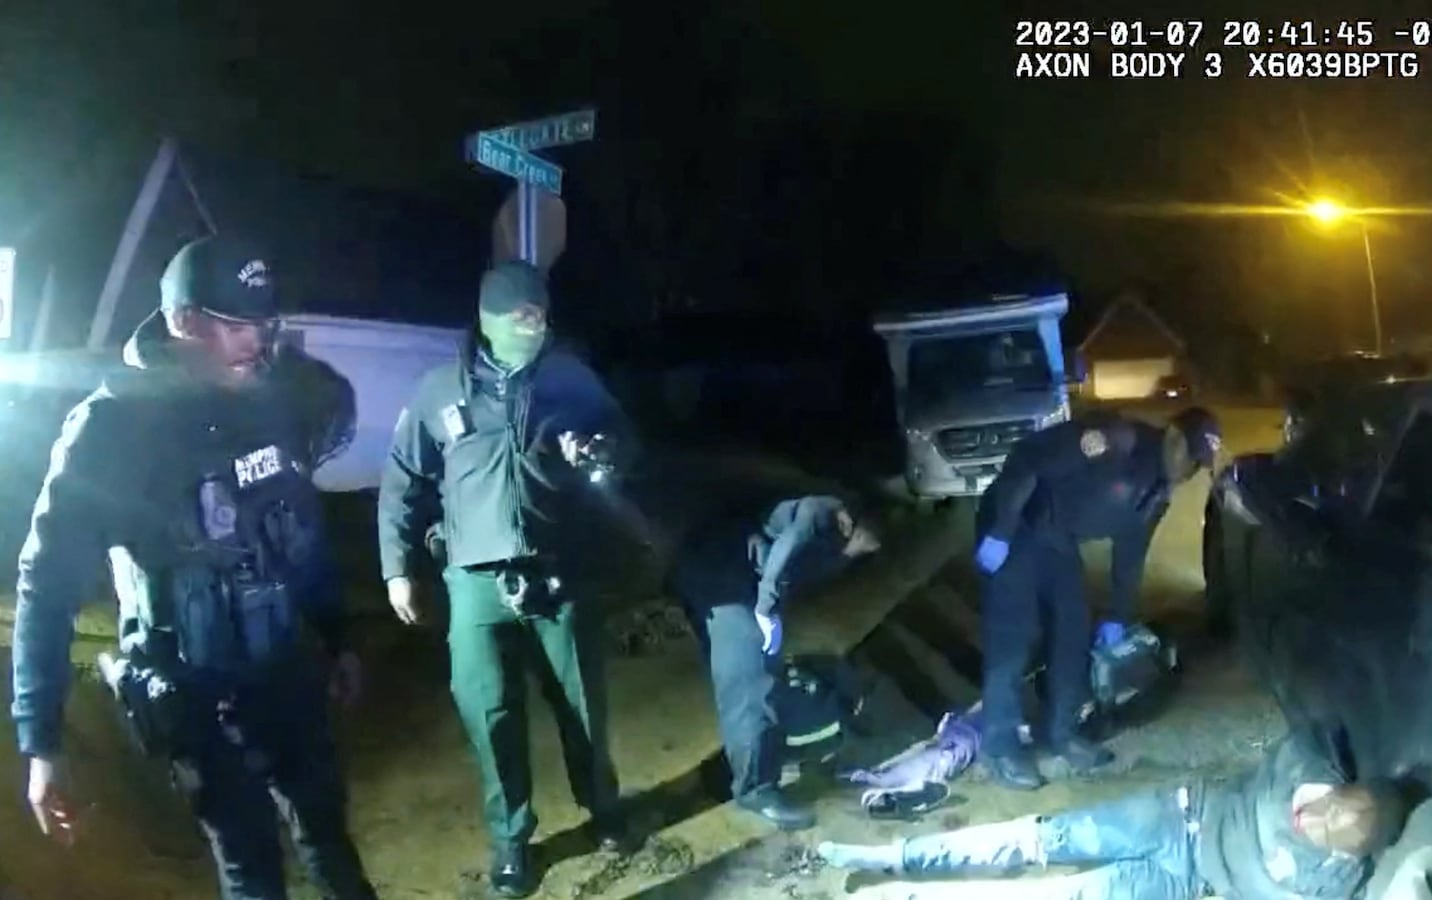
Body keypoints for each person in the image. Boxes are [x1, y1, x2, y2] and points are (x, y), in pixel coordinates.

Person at [10, 236, 378, 900]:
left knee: (328, 834)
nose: (255, 343)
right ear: (184, 322)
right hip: (194, 695)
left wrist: (337, 635)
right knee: (250, 867)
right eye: (235, 326)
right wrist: (41, 741)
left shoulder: (270, 398)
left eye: (262, 324)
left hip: (284, 674)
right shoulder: (113, 428)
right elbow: (47, 584)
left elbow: (298, 531)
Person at [376, 260, 633, 898]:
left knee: (581, 705)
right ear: (488, 319)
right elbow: (403, 483)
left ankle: (603, 809)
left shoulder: (569, 377)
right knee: (489, 715)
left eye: (539, 315)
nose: (531, 325)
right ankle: (512, 841)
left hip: (558, 571)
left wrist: (599, 448)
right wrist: (397, 571)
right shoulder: (439, 390)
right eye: (519, 315)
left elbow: (623, 440)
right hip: (475, 581)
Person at [817, 734, 1398, 900]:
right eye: (1319, 809)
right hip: (1176, 814)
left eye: (1322, 833)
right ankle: (893, 856)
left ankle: (902, 894)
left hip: (1182, 879)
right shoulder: (1305, 763)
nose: (1307, 821)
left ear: (1345, 856)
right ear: (1335, 789)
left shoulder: (1335, 881)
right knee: (1039, 839)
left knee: (1055, 895)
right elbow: (1310, 743)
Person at [974, 406, 1222, 789]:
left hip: (1059, 539)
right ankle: (1000, 746)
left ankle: (1062, 733)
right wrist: (1002, 530)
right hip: (1018, 524)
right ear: (1173, 436)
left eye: (1197, 465)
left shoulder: (1156, 494)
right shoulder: (1116, 441)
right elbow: (1028, 459)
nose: (1188, 470)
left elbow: (1131, 553)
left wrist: (1119, 615)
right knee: (1014, 636)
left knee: (1072, 633)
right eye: (1189, 456)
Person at [668, 495, 881, 831]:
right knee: (749, 685)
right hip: (725, 581)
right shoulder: (821, 512)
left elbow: (800, 568)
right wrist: (767, 610)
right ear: (850, 524)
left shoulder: (833, 540)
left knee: (739, 678)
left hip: (722, 569)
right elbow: (784, 556)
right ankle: (755, 790)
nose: (864, 550)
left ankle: (749, 755)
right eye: (865, 543)